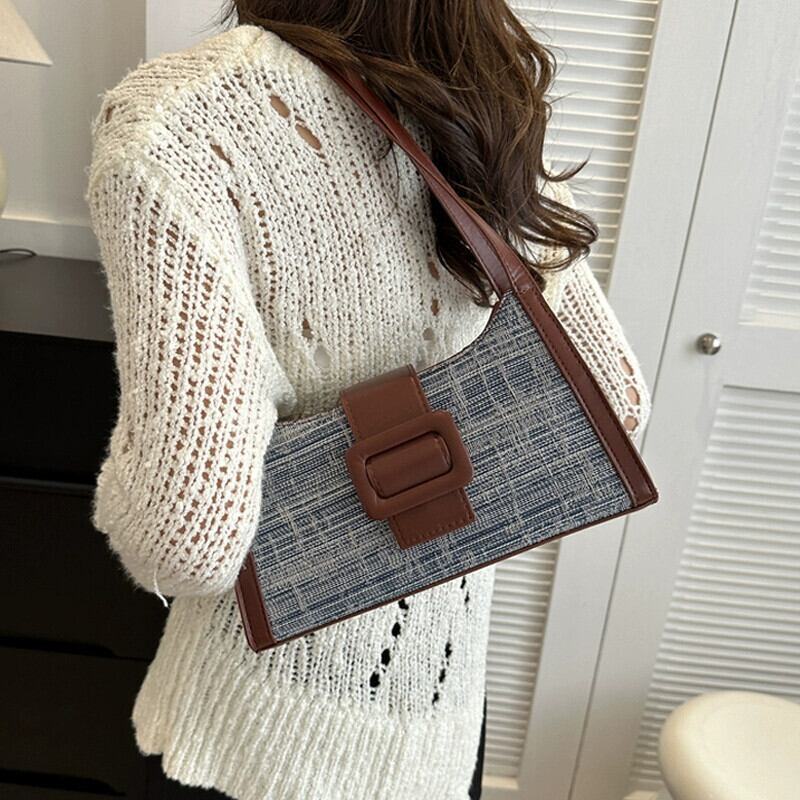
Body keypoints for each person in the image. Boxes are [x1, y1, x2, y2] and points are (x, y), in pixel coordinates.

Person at [85, 3, 651, 799]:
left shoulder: (177, 118)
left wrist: (120, 491)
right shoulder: (473, 87)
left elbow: (188, 539)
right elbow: (612, 397)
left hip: (255, 731)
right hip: (442, 710)